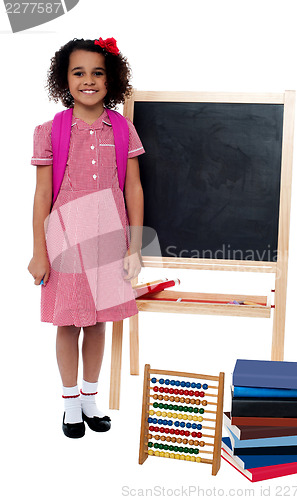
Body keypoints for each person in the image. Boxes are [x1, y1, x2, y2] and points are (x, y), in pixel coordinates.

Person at [27, 37, 144, 438]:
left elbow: (133, 189)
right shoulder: (50, 130)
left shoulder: (123, 129)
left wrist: (134, 247)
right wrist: (38, 253)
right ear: (65, 79)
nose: (88, 80)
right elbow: (43, 194)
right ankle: (69, 402)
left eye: (98, 73)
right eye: (79, 72)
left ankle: (91, 399)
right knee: (69, 322)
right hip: (65, 240)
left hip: (110, 239)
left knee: (97, 324)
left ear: (111, 80)